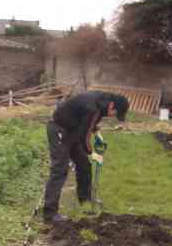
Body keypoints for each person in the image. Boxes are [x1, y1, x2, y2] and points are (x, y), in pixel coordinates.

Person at [43, 91, 130, 223]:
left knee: (84, 164)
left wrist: (98, 136)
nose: (113, 116)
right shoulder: (93, 107)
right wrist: (93, 153)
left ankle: (85, 200)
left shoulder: (101, 104)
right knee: (59, 170)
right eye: (115, 113)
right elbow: (84, 136)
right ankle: (50, 213)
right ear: (112, 105)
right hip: (59, 129)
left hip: (72, 130)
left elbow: (90, 124)